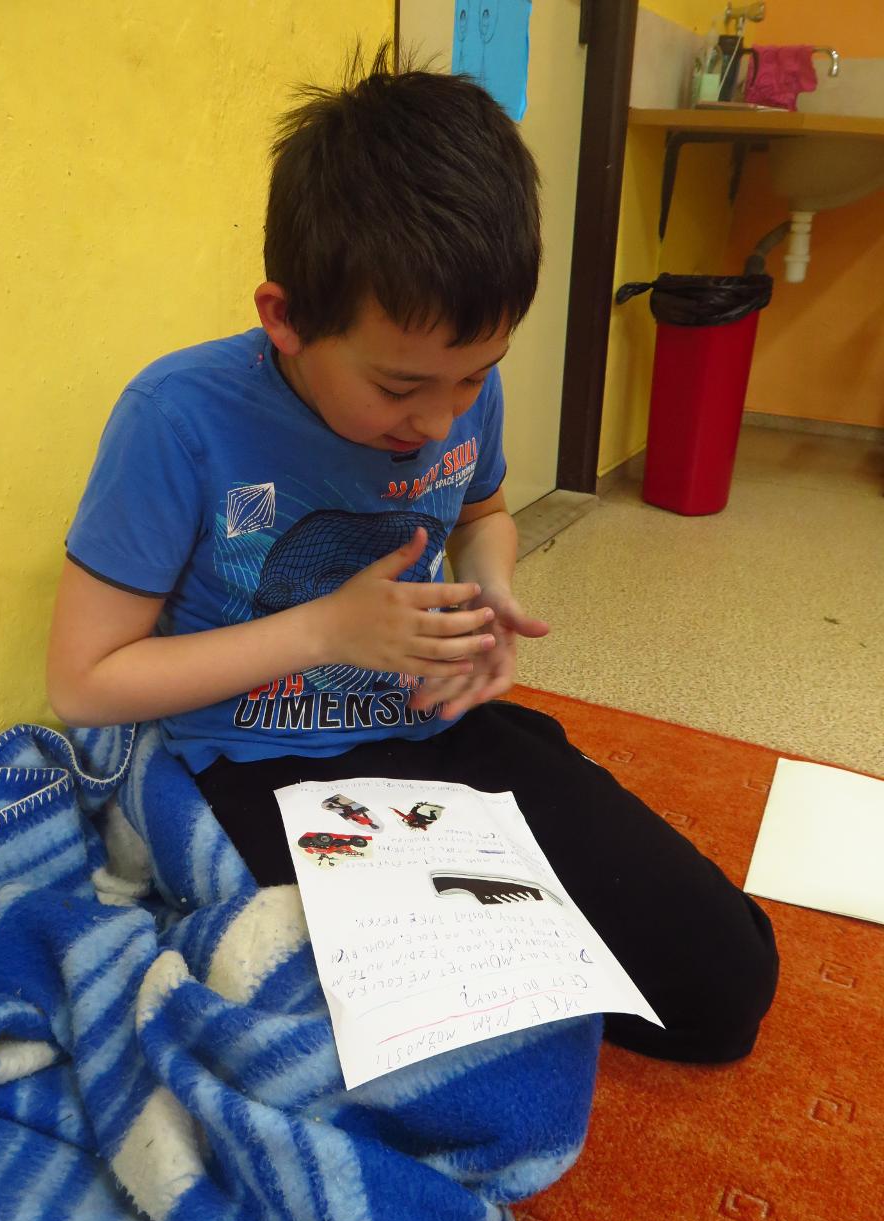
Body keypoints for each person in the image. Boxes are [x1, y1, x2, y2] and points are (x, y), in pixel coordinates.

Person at [47, 45, 777, 1065]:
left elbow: (485, 514)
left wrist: (490, 587)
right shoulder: (177, 417)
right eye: (398, 389)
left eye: (474, 376)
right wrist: (322, 631)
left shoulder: (462, 385)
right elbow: (83, 681)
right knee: (419, 1037)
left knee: (724, 985)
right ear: (286, 319)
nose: (438, 421)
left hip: (429, 737)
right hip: (252, 768)